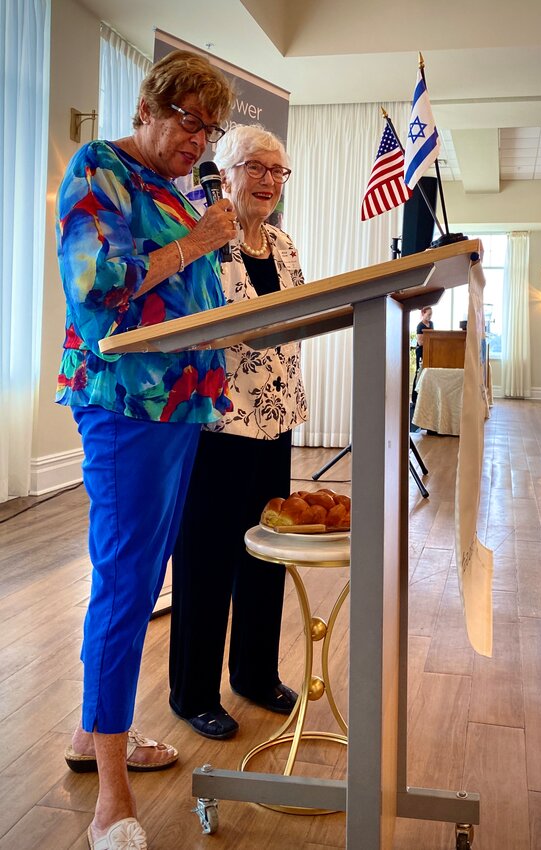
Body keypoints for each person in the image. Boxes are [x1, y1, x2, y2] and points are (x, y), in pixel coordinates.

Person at [55, 50, 237, 850]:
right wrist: (198, 243)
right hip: (125, 406)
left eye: (211, 128)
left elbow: (191, 298)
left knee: (136, 578)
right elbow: (95, 289)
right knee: (126, 585)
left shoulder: (174, 191)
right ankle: (111, 796)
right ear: (150, 107)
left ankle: (89, 735)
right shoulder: (101, 169)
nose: (198, 138)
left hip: (181, 410)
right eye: (188, 120)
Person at [168, 124, 307, 740]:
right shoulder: (200, 235)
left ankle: (254, 671)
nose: (269, 182)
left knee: (266, 549)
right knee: (207, 557)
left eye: (278, 172)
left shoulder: (282, 244)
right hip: (217, 421)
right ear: (224, 171)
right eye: (257, 168)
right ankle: (192, 691)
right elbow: (189, 325)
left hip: (274, 418)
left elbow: (298, 315)